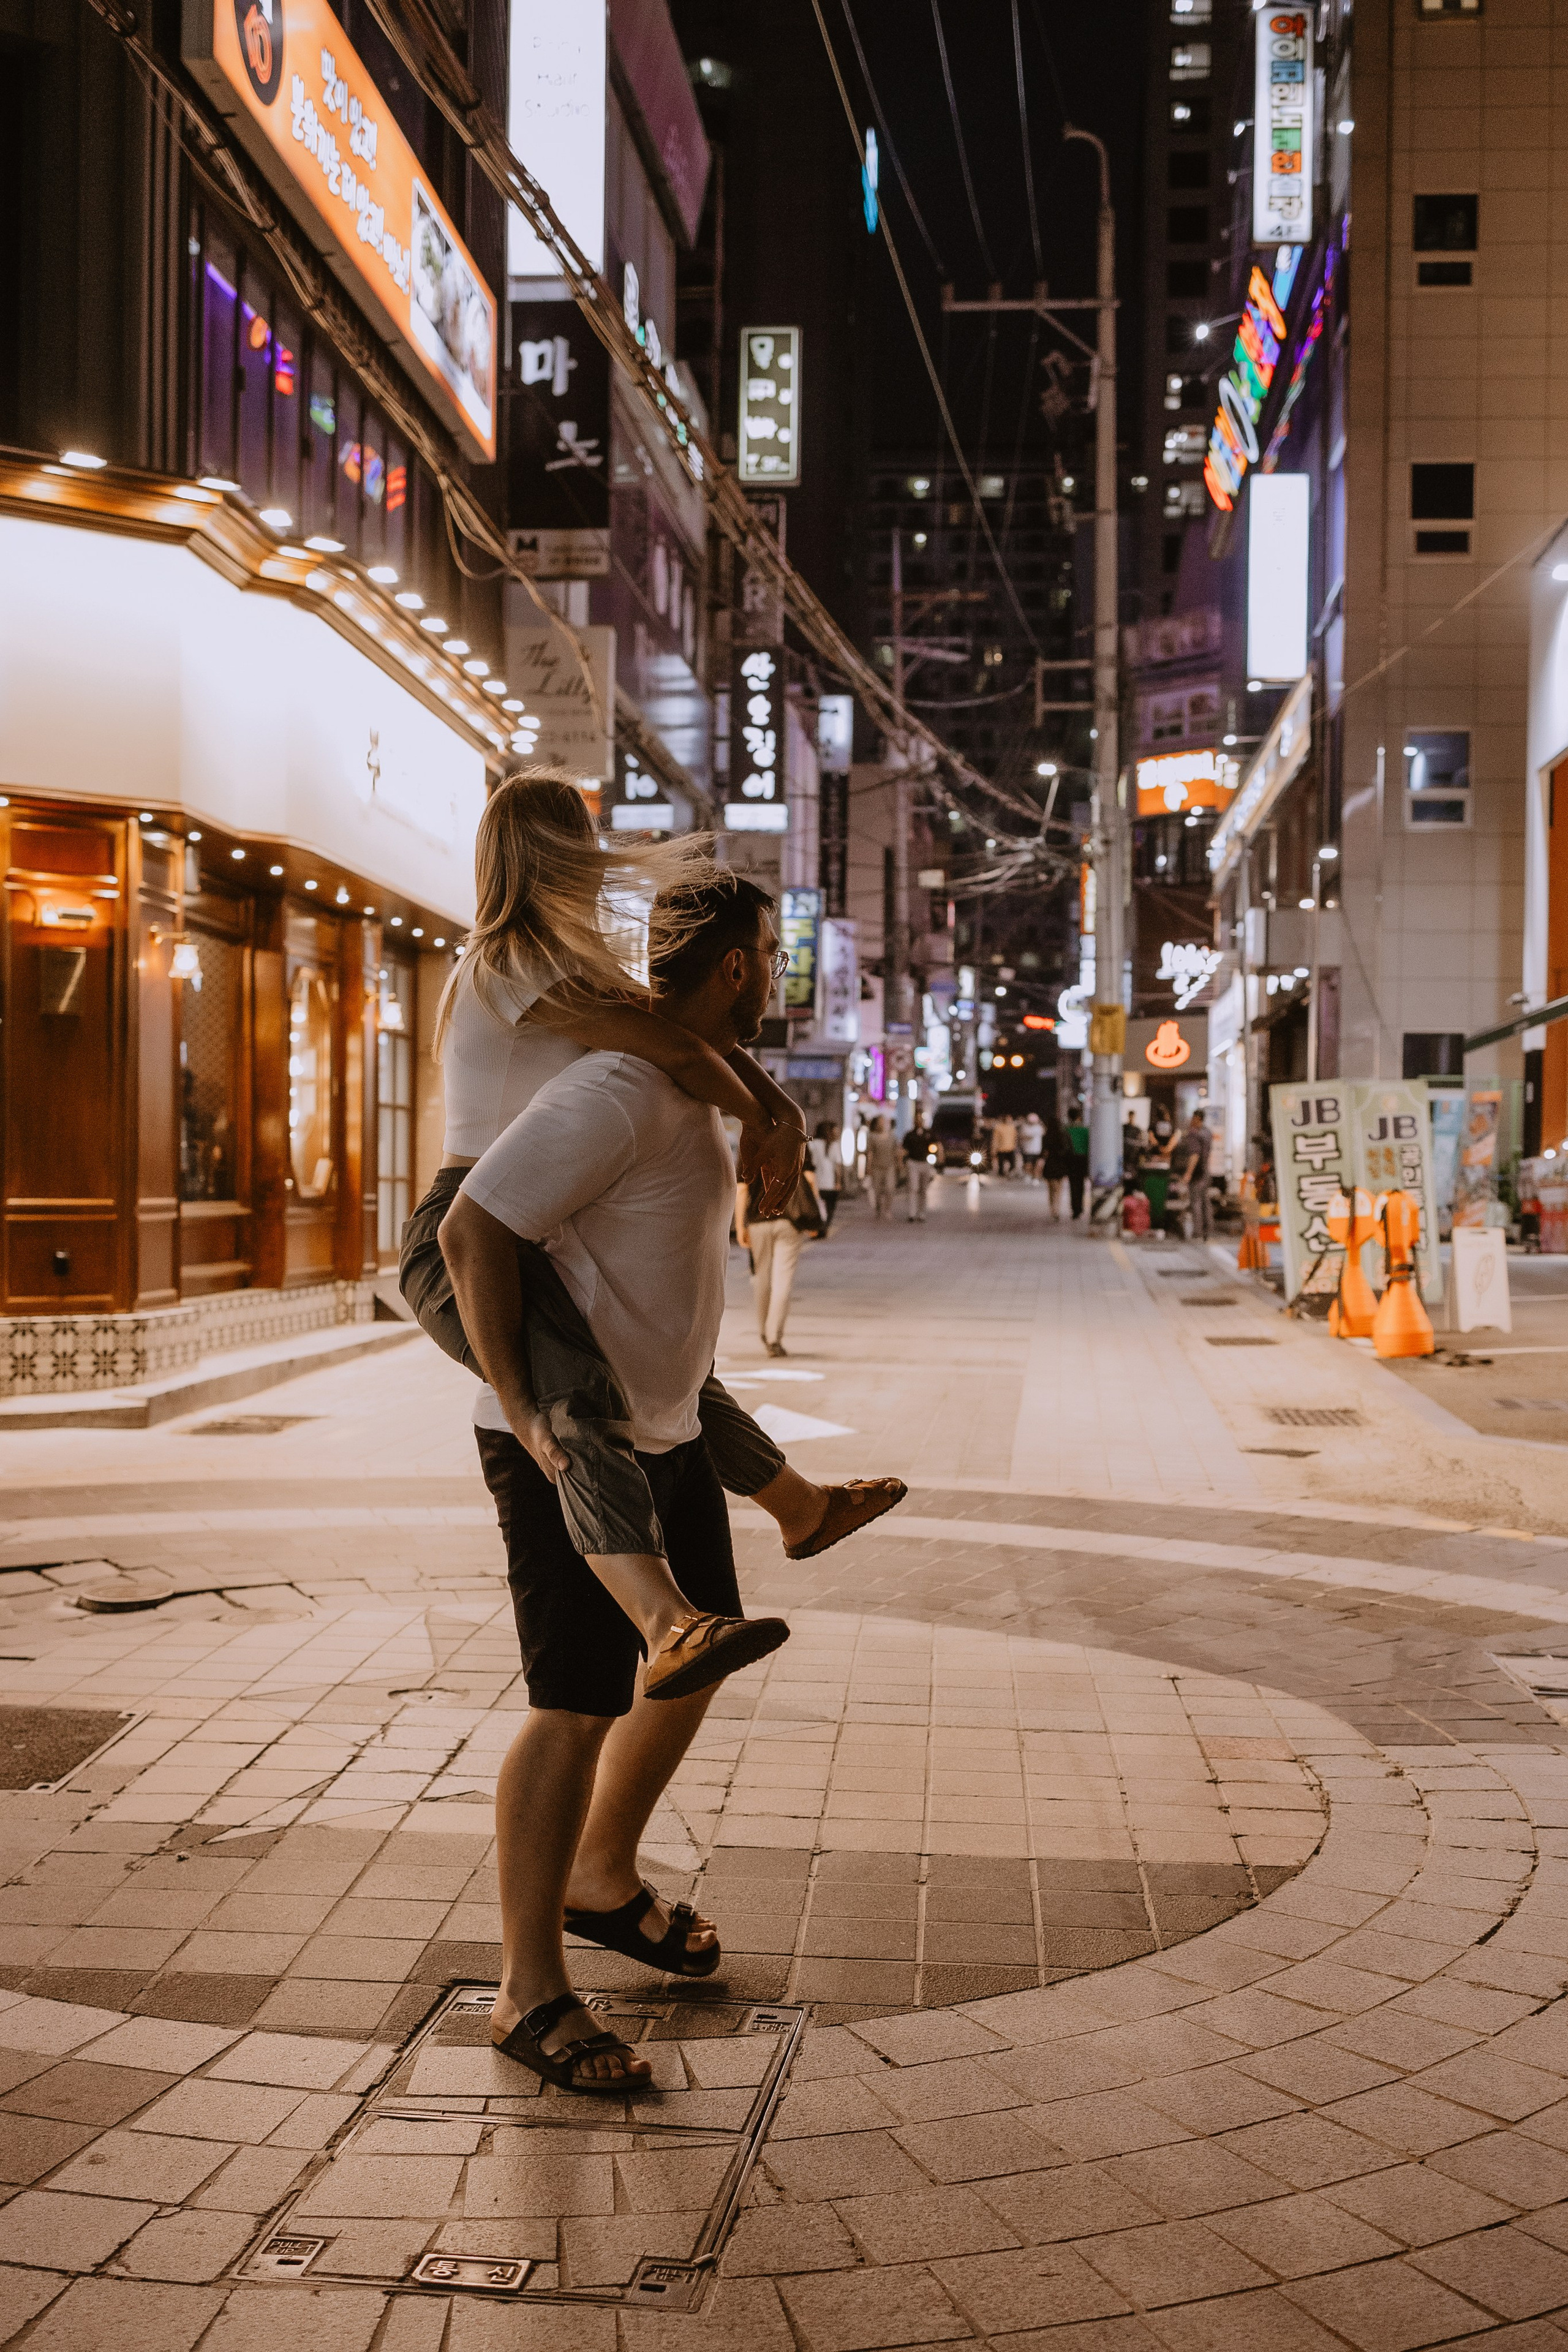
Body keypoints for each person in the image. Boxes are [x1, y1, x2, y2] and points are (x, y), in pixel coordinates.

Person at [440, 873, 906, 2093]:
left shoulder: (694, 1086)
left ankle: (601, 1872)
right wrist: (532, 1416)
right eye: (769, 950)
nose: (776, 971)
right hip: (566, 1439)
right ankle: (526, 1993)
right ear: (744, 965)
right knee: (575, 1701)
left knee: (695, 1660)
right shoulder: (615, 1089)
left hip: (666, 1433)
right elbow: (470, 1232)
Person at [400, 774, 897, 1644]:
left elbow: (687, 1041)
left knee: (677, 1383)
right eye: (581, 843)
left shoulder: (564, 965)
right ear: (552, 855)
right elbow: (670, 1041)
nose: (597, 862)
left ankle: (801, 1508)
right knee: (574, 1402)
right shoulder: (512, 958)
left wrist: (774, 1112)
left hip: (522, 1214)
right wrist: (769, 1116)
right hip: (465, 1228)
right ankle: (665, 1621)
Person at [737, 1162, 821, 1354]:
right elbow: (810, 1179)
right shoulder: (795, 1132)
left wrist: (741, 1226)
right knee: (783, 1279)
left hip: (759, 1221)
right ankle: (774, 1337)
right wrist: (813, 1216)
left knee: (762, 1278)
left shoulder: (752, 1139)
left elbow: (742, 1189)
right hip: (789, 1221)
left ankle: (765, 1333)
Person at [1177, 1107, 1213, 1239]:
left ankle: (1197, 1232)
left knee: (1196, 1202)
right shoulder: (1208, 1133)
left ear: (1198, 1118)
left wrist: (1188, 1173)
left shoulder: (1194, 1134)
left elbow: (1194, 1155)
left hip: (1197, 1173)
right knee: (1205, 1202)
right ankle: (1208, 1230)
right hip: (1205, 1171)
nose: (1191, 1121)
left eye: (1193, 1118)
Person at [902, 1107, 933, 1221]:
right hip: (913, 1163)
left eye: (921, 1119)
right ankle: (912, 1213)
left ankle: (922, 1213)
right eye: (917, 1119)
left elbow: (936, 1144)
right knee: (913, 1188)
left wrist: (939, 1155)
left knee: (923, 1190)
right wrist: (902, 1162)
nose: (919, 1121)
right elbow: (904, 1149)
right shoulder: (910, 1135)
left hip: (925, 1163)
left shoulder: (928, 1133)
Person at [809, 1121, 842, 1229]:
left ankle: (819, 1227)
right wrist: (838, 1182)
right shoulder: (834, 1145)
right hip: (830, 1182)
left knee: (818, 1206)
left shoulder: (812, 1144)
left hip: (816, 1181)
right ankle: (825, 1227)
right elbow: (837, 1167)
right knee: (830, 1208)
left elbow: (810, 1163)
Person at [1042, 1114, 1074, 1221]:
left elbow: (1043, 1152)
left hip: (1050, 1164)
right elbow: (1069, 1149)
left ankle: (1053, 1209)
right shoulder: (1063, 1134)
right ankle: (1057, 1209)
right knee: (1059, 1189)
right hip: (1060, 1164)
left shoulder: (1046, 1136)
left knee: (1051, 1189)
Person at [865, 1115, 899, 1218]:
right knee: (877, 1190)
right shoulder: (872, 1136)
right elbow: (870, 1153)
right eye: (880, 1122)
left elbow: (896, 1151)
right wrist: (868, 1167)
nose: (882, 1124)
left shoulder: (892, 1136)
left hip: (890, 1166)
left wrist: (899, 1163)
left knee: (890, 1188)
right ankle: (878, 1208)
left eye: (883, 1122)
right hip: (877, 1167)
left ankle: (888, 1209)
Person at [1066, 1103, 1090, 1220]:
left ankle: (1074, 1208)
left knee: (1073, 1184)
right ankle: (1080, 1208)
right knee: (1081, 1185)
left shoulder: (1066, 1129)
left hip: (1071, 1159)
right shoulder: (1085, 1129)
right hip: (1083, 1159)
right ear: (1079, 1117)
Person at [1019, 1110, 1044, 1182]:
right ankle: (1028, 1175)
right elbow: (1022, 1136)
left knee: (1036, 1164)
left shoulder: (1039, 1127)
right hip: (1027, 1149)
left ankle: (1035, 1177)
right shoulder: (1025, 1127)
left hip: (1037, 1149)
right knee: (1028, 1164)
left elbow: (1043, 1133)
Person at [992, 1111, 1019, 1176]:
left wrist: (1016, 1146)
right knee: (1001, 1164)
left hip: (1011, 1148)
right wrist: (994, 1149)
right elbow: (995, 1139)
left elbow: (1015, 1138)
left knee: (1013, 1164)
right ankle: (1001, 1175)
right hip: (1001, 1149)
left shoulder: (1012, 1128)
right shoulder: (999, 1128)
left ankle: (1009, 1173)